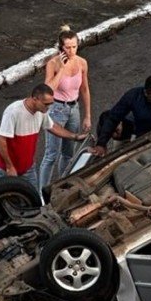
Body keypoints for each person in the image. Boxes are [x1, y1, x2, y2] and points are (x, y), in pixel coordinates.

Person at [0, 83, 88, 192]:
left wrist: (75, 137)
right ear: (35, 99)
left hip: (28, 169)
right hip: (6, 169)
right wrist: (9, 167)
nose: (49, 107)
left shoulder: (41, 112)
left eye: (51, 104)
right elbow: (1, 139)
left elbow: (53, 127)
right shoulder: (13, 112)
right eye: (46, 104)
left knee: (33, 201)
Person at [39, 26, 92, 190]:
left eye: (74, 46)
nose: (71, 50)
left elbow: (84, 89)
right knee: (51, 155)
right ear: (61, 48)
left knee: (69, 153)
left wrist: (87, 115)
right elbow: (48, 91)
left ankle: (61, 186)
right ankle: (42, 191)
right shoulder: (53, 64)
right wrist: (61, 69)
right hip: (56, 109)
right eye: (67, 47)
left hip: (73, 108)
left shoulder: (82, 63)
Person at [89, 75, 151, 157]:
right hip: (140, 140)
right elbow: (113, 118)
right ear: (146, 93)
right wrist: (101, 144)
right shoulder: (133, 96)